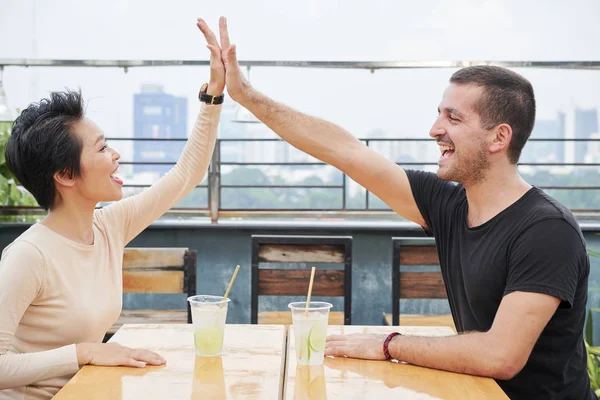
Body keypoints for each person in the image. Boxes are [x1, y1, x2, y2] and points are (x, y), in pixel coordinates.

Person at [216, 17, 594, 399]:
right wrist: (247, 96)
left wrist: (388, 344)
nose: (434, 128)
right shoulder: (447, 203)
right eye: (439, 113)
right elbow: (345, 151)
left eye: (453, 117)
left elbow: (500, 355)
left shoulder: (547, 230)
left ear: (499, 137)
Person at [0, 18, 226, 400]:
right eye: (103, 148)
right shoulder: (28, 256)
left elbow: (186, 175)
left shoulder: (108, 226)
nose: (116, 155)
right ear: (66, 175)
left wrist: (214, 95)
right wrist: (83, 353)